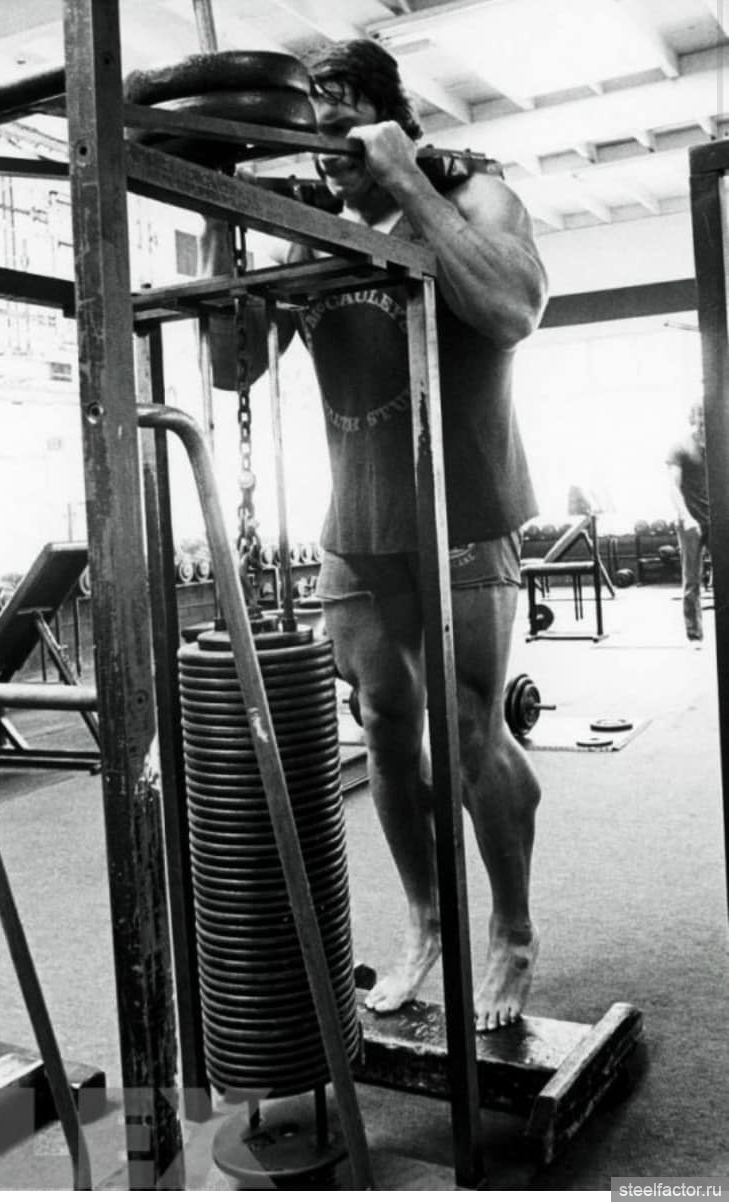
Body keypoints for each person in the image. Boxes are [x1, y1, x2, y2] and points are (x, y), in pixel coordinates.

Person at [200, 39, 548, 1031]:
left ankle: (512, 929)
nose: (331, 148)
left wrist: (406, 181)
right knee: (386, 729)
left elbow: (512, 307)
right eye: (318, 130)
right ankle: (426, 920)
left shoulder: (474, 193)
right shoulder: (307, 235)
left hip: (465, 511)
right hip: (356, 524)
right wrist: (221, 225)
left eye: (349, 126)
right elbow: (230, 370)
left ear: (394, 123)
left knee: (470, 728)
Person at [667, 403, 710, 646]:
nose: (703, 420)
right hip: (690, 522)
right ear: (692, 418)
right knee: (692, 580)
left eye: (707, 414)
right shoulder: (680, 447)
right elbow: (673, 487)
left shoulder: (719, 446)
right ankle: (695, 636)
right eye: (699, 415)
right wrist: (686, 517)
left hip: (717, 521)